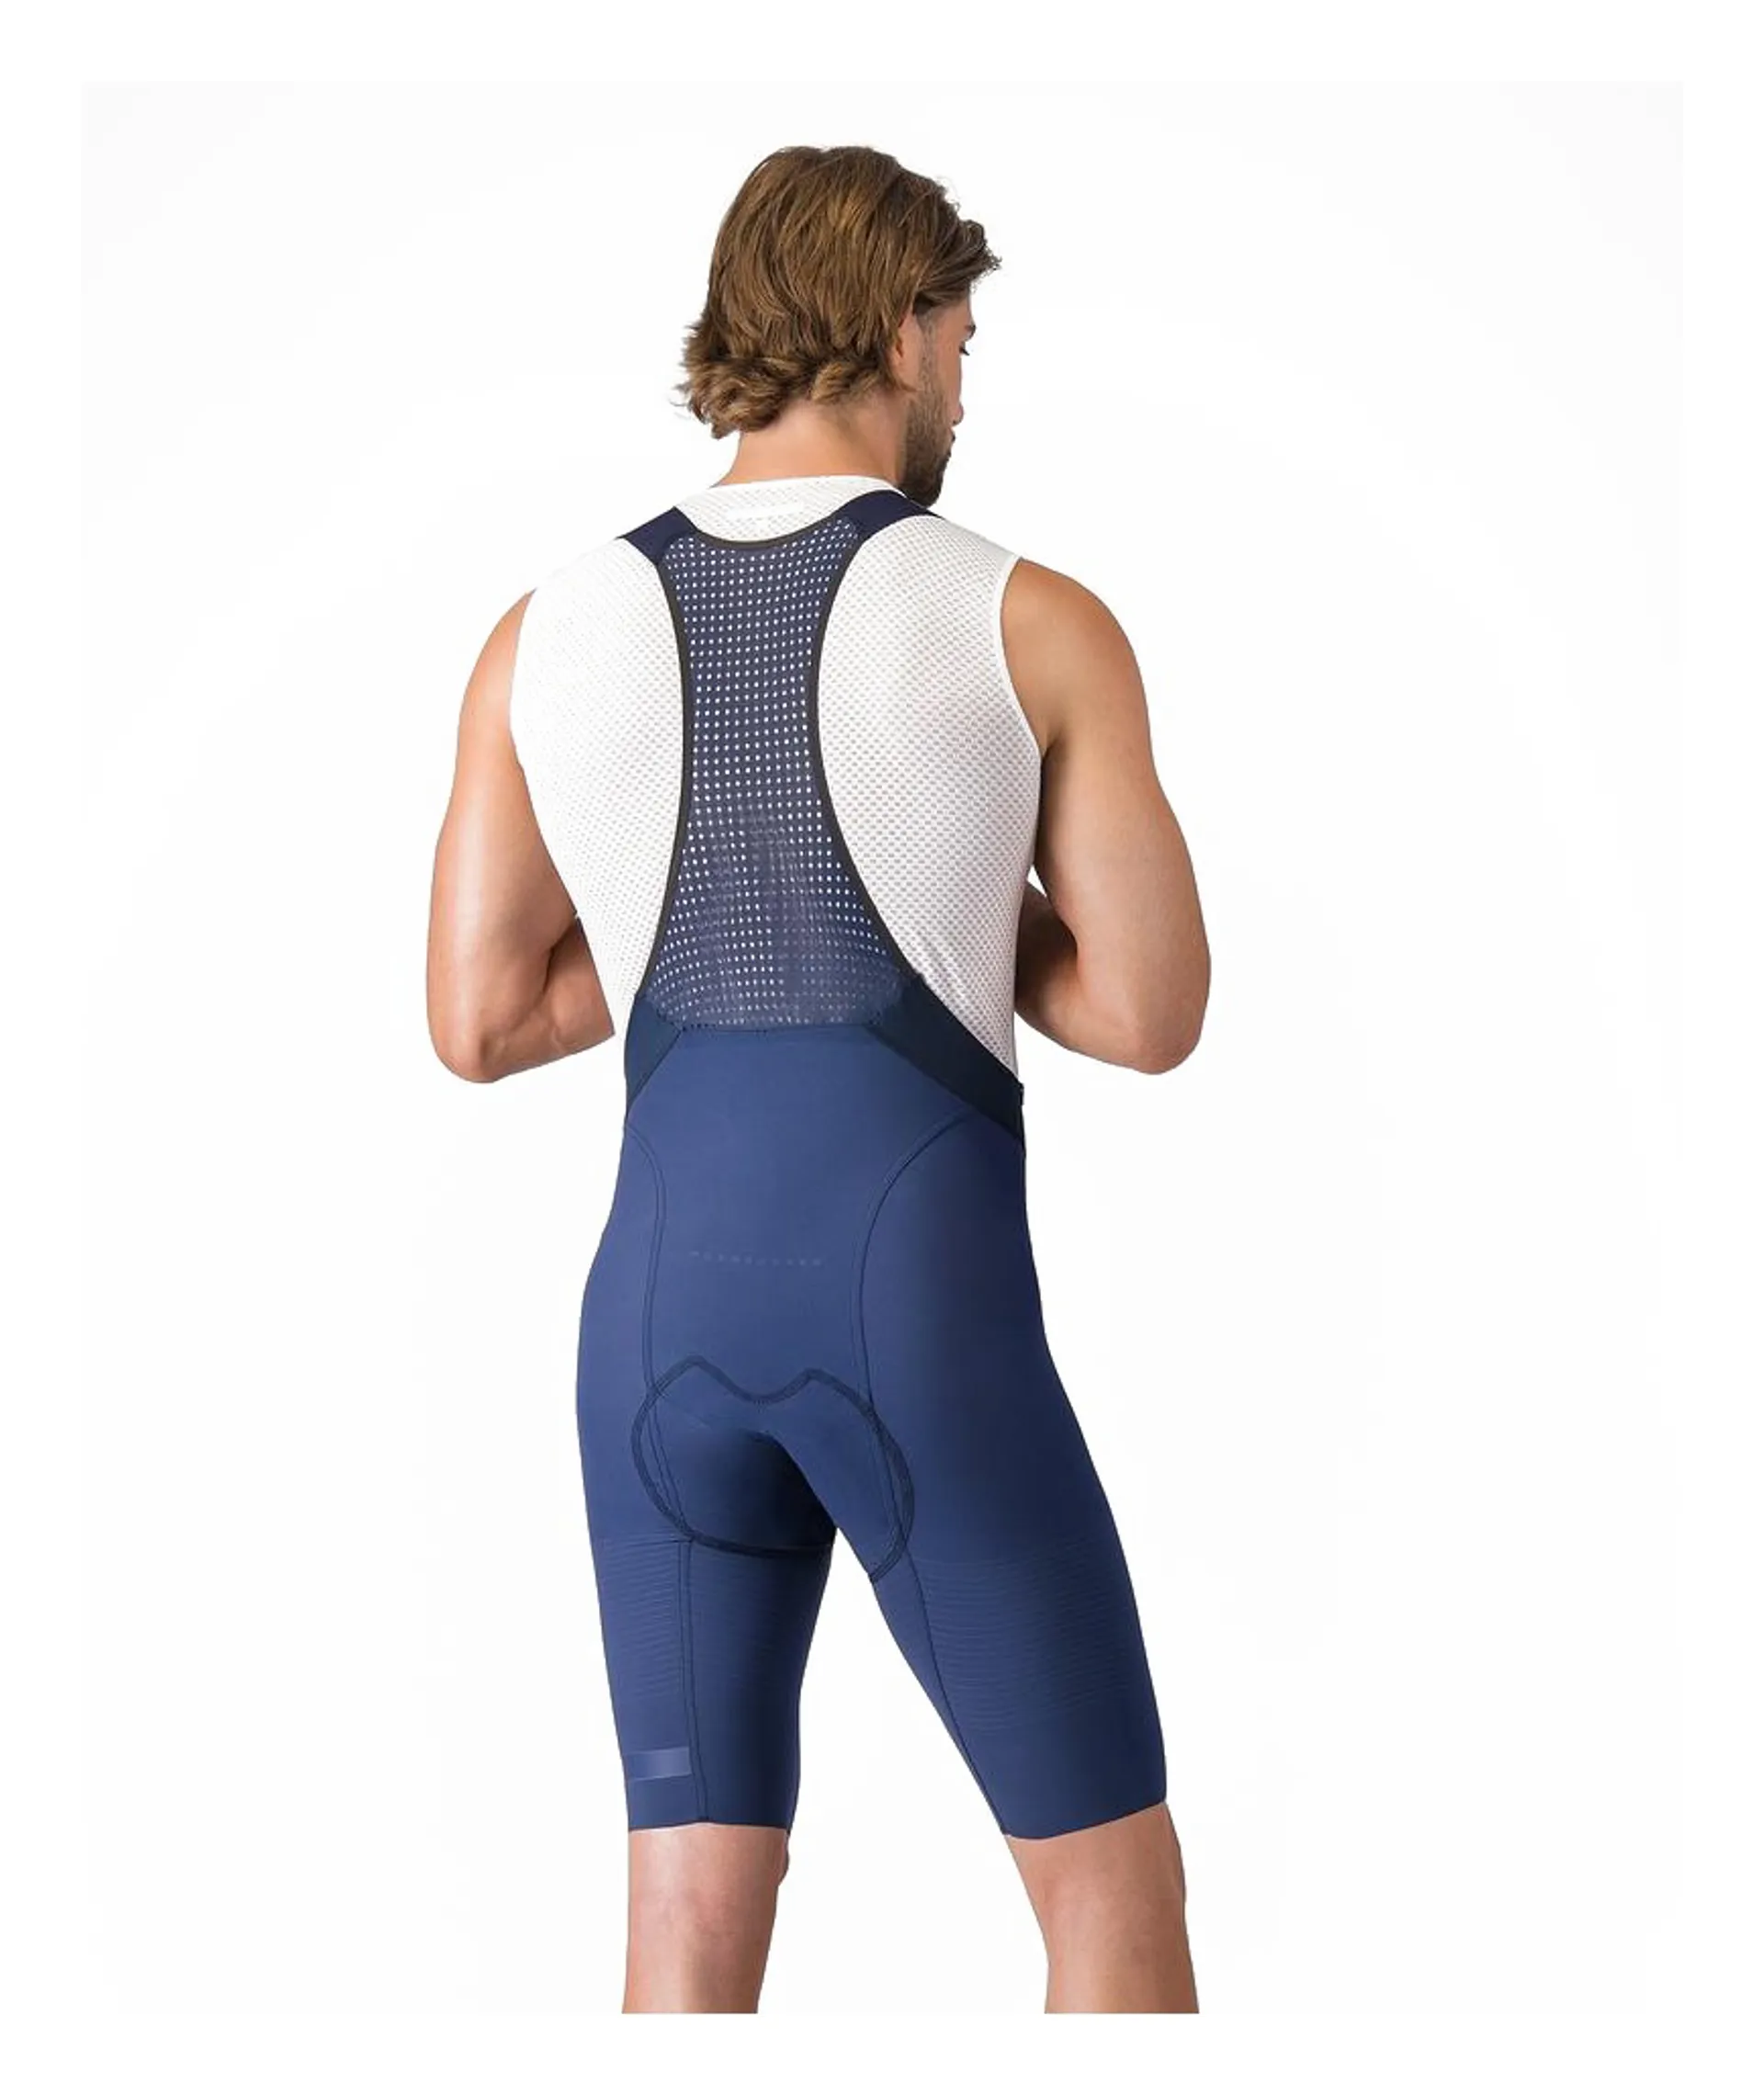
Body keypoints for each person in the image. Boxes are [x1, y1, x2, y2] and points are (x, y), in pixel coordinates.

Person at [426, 143, 1210, 2013]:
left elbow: (482, 1018)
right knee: (1109, 1903)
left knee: (686, 1933)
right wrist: (949, 896)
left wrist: (686, 918)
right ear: (903, 326)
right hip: (914, 1321)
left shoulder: (540, 630)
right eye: (964, 342)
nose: (966, 392)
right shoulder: (1031, 615)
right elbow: (1147, 1005)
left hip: (652, 1337)